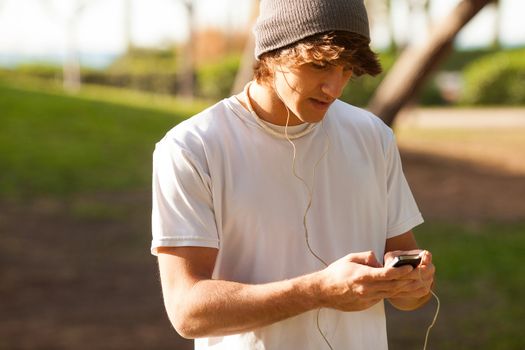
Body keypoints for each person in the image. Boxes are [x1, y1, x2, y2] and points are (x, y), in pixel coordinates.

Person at [151, 0, 435, 349]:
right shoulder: (193, 148)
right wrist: (319, 291)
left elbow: (409, 290)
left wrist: (411, 286)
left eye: (347, 69)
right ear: (272, 52)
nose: (335, 87)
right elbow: (187, 311)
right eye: (319, 65)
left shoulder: (373, 137)